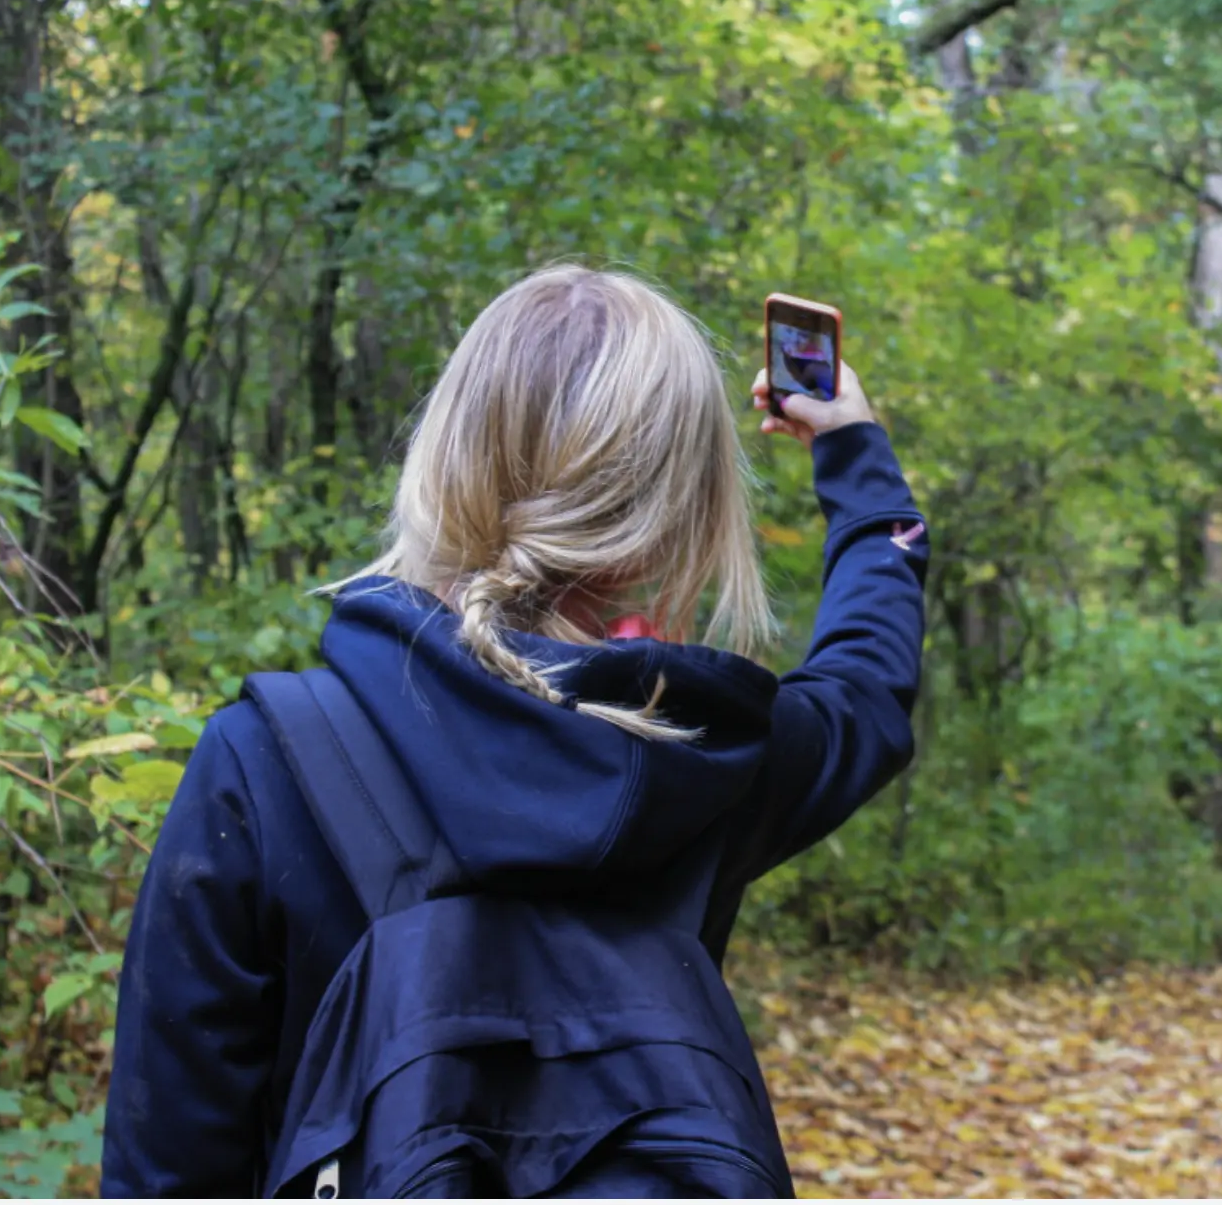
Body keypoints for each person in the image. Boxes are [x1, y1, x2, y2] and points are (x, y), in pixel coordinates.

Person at [99, 265, 928, 1197]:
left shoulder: (266, 763)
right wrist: (856, 455)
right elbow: (867, 683)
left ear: (448, 452)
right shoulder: (707, 758)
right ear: (674, 513)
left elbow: (168, 1165)